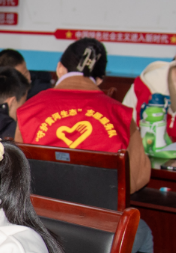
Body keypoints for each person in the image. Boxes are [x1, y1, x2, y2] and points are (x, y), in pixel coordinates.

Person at [16, 37, 151, 192]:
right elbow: (137, 177)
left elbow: (18, 174)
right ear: (99, 79)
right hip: (100, 206)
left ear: (60, 68)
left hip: (40, 206)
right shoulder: (122, 116)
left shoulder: (28, 111)